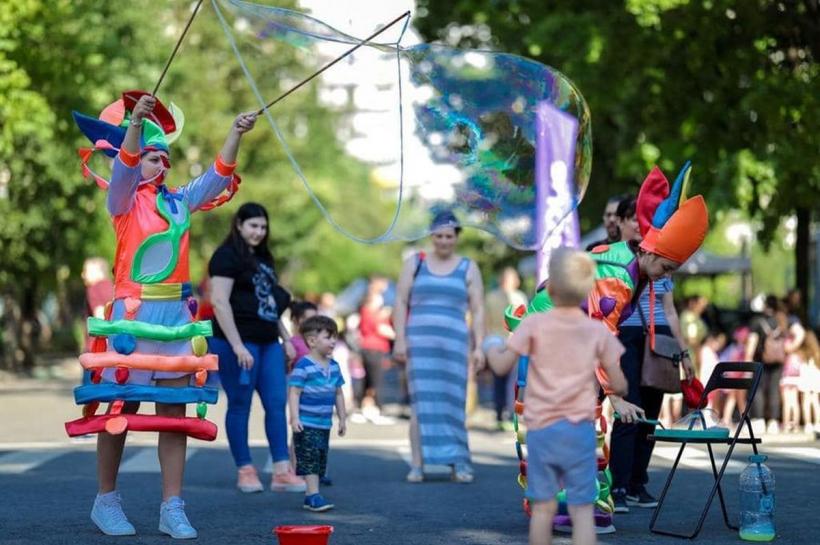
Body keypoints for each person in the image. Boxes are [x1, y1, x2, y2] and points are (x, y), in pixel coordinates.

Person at [71, 92, 257, 538]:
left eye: (165, 159)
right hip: (131, 317)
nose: (161, 165)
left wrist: (235, 133)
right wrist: (134, 124)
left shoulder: (177, 202)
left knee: (173, 412)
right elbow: (125, 167)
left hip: (176, 315)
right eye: (153, 158)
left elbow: (216, 177)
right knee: (120, 407)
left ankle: (172, 506)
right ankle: (106, 500)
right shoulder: (122, 200)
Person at [496, 162, 709, 534]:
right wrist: (615, 395)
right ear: (649, 251)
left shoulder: (635, 268)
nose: (667, 274)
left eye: (673, 269)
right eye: (667, 265)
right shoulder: (618, 276)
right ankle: (564, 506)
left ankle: (580, 502)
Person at [488, 249, 628, 545]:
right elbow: (618, 382)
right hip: (580, 433)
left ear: (549, 287)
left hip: (542, 431)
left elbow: (501, 366)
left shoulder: (533, 325)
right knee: (581, 510)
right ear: (589, 290)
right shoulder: (596, 331)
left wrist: (489, 348)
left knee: (543, 509)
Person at [208, 202, 304, 494]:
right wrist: (237, 345)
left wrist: (286, 339)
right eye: (253, 226)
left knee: (276, 404)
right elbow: (219, 302)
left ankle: (281, 471)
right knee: (240, 405)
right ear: (239, 224)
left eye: (263, 227)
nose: (259, 232)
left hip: (268, 342)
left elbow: (270, 305)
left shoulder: (264, 259)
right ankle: (245, 470)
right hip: (237, 342)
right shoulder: (226, 256)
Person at [393, 210, 486, 484]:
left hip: (455, 345)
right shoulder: (415, 263)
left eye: (449, 236)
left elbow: (478, 309)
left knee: (453, 402)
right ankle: (417, 465)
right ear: (431, 236)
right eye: (439, 235)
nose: (444, 241)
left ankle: (459, 463)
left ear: (456, 237)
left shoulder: (468, 266)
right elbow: (400, 301)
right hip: (419, 344)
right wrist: (399, 339)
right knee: (421, 403)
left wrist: (479, 346)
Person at [288, 315, 347, 512]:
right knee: (310, 458)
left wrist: (342, 418)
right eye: (328, 337)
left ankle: (313, 492)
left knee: (321, 457)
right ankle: (312, 495)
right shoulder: (303, 366)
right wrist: (295, 418)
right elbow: (294, 392)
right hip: (307, 423)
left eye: (334, 337)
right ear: (312, 341)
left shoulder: (335, 366)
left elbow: (338, 393)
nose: (333, 341)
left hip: (324, 423)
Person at [484, 267, 528, 430]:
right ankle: (510, 414)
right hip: (513, 339)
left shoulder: (490, 297)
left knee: (497, 378)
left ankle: (498, 414)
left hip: (494, 341)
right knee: (513, 379)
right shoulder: (520, 297)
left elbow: (485, 321)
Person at [356, 277, 396, 424]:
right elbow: (381, 329)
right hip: (374, 349)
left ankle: (366, 407)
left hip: (370, 348)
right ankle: (376, 408)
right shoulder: (371, 313)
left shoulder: (368, 312)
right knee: (375, 381)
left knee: (369, 381)